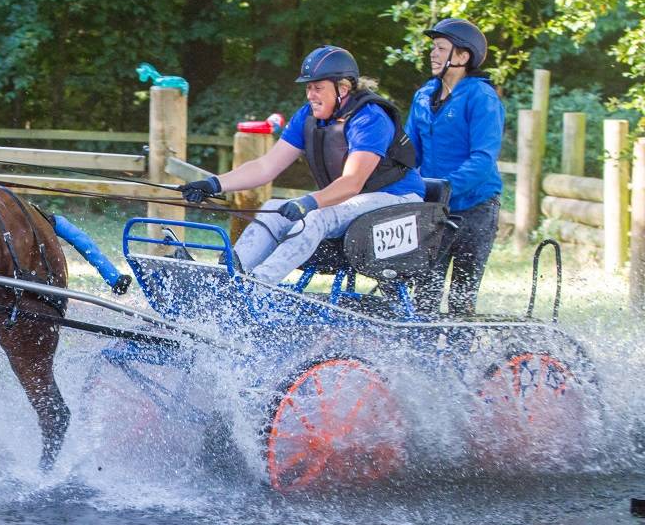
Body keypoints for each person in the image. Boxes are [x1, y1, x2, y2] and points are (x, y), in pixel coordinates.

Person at [181, 46, 425, 285]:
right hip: (353, 201)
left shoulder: (370, 118)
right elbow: (266, 166)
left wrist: (307, 203)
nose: (310, 95)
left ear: (343, 88)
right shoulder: (307, 116)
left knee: (317, 216)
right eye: (308, 88)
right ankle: (227, 277)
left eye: (318, 88)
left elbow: (352, 182)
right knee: (273, 207)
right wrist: (213, 184)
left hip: (399, 200)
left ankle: (258, 286)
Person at [405, 18, 505, 315]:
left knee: (462, 300)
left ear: (462, 56)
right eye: (433, 48)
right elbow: (409, 153)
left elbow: (483, 158)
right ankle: (422, 344)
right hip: (434, 209)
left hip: (476, 208)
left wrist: (446, 186)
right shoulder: (423, 96)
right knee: (424, 295)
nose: (433, 53)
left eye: (441, 48)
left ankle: (462, 345)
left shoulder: (481, 97)